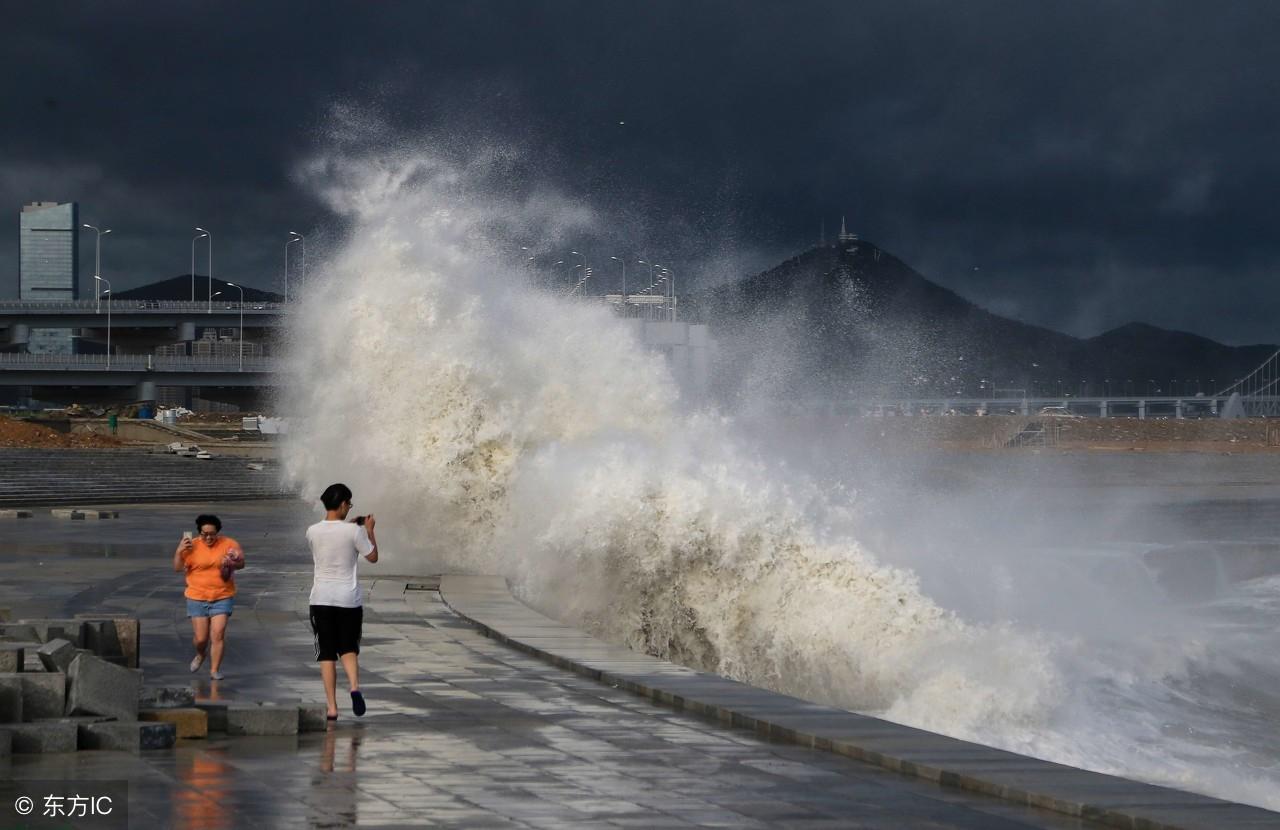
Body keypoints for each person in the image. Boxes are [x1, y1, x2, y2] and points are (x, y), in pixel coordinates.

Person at [307, 483, 379, 721]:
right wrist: (369, 530)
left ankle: (331, 707)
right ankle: (355, 687)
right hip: (348, 600)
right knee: (348, 648)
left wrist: (350, 525)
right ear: (342, 504)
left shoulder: (312, 531)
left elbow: (332, 537)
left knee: (326, 653)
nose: (349, 507)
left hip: (321, 599)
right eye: (349, 504)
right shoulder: (354, 532)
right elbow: (372, 557)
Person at [173, 514, 244, 680]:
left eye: (212, 533)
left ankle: (214, 670)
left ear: (217, 532)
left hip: (222, 595)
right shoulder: (191, 546)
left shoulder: (229, 544)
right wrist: (178, 550)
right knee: (201, 638)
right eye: (205, 534)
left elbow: (242, 563)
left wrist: (232, 562)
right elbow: (177, 568)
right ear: (199, 532)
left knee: (218, 634)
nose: (209, 537)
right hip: (197, 596)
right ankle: (200, 654)